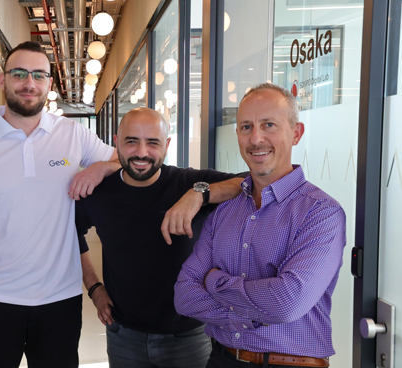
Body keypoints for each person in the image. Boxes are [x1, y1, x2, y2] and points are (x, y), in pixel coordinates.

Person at [0, 41, 119, 368]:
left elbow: (126, 161)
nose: (29, 83)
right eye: (19, 73)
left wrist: (100, 166)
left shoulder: (72, 134)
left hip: (59, 298)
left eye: (39, 75)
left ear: (50, 83)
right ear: (2, 79)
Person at [174, 83, 346, 368]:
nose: (256, 138)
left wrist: (214, 281)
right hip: (221, 359)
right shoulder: (224, 211)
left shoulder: (321, 213)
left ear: (296, 133)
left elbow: (286, 303)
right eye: (246, 127)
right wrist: (256, 310)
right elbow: (184, 296)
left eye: (269, 125)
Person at [76, 107, 244, 368]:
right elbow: (73, 234)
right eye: (132, 141)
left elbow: (248, 182)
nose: (142, 152)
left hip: (187, 335)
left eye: (152, 143)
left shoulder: (188, 182)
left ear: (166, 145)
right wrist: (94, 288)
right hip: (123, 335)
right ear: (117, 142)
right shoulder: (99, 192)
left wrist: (198, 195)